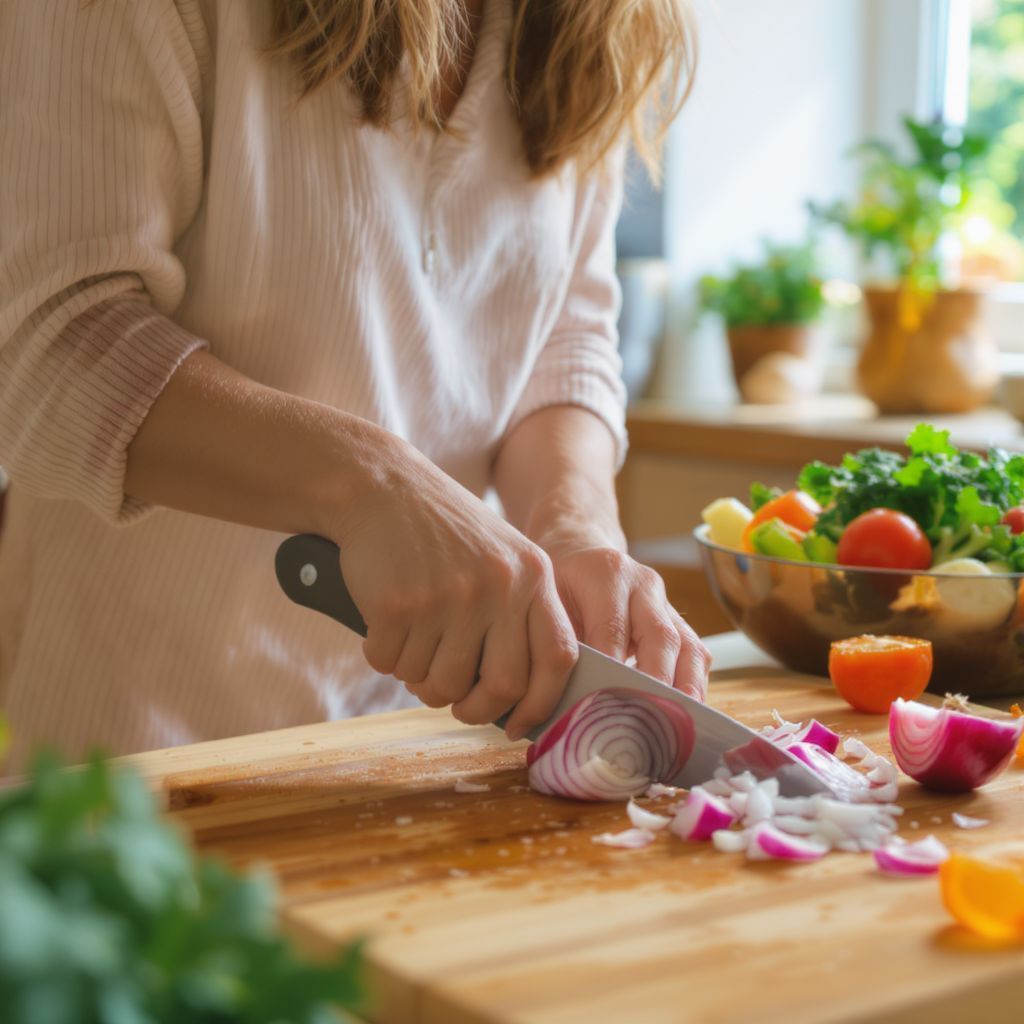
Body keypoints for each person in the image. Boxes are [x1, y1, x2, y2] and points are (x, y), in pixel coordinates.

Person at [0, 0, 709, 772]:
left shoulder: (587, 25)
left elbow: (562, 342)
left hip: (413, 749)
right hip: (126, 754)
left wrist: (571, 522)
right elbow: (46, 340)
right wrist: (371, 483)